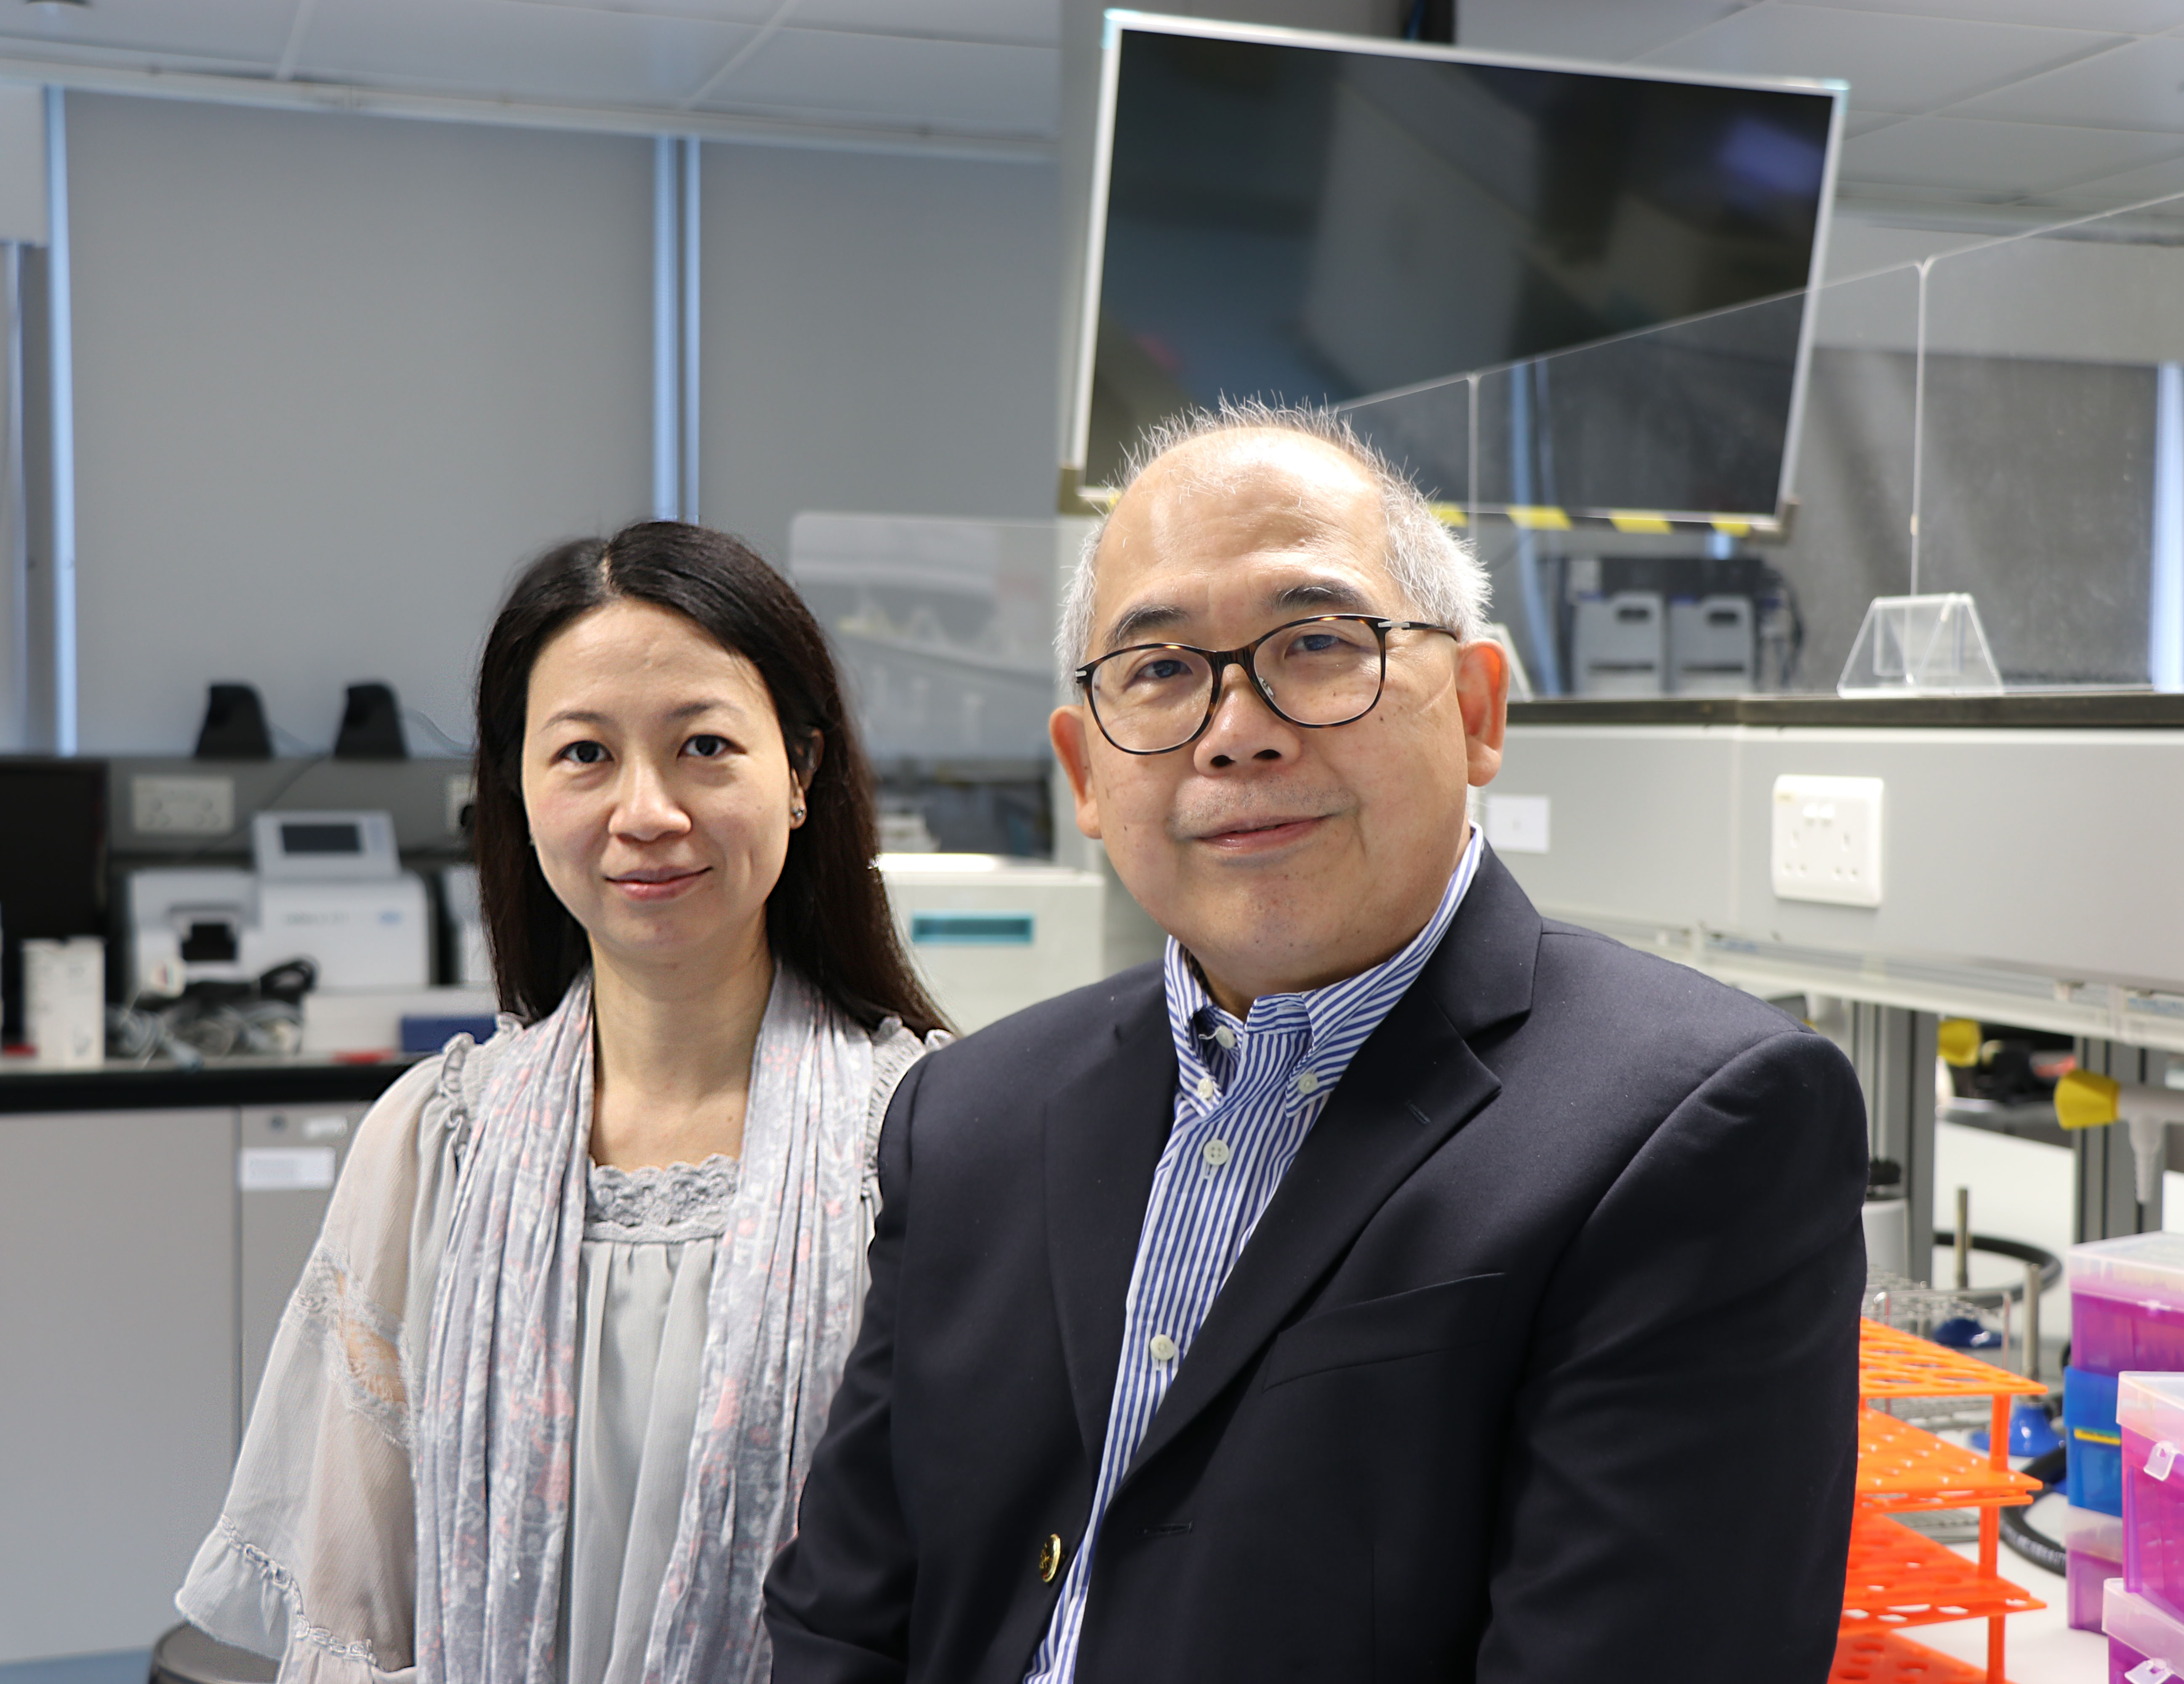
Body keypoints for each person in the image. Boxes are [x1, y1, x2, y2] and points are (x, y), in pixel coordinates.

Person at [762, 405, 1869, 1684]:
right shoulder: (964, 1115)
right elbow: (844, 1618)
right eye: (1160, 670)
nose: (1236, 729)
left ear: (1476, 708)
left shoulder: (1693, 1127)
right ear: (1085, 771)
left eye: (1320, 643)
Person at [178, 522, 949, 1684]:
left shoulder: (920, 1140)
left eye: (703, 746)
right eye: (585, 754)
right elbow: (357, 1601)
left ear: (798, 774)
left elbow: (978, 1581)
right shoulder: (436, 1142)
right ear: (519, 789)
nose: (647, 812)